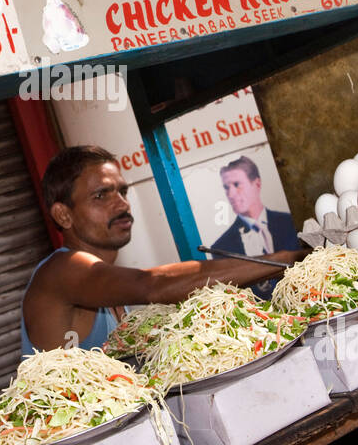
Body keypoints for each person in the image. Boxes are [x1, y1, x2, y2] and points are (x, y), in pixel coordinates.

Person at [21, 146, 305, 353]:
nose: (122, 204)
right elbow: (153, 284)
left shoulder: (109, 286)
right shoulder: (60, 270)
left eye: (122, 191)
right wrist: (285, 260)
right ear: (63, 215)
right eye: (101, 195)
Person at [210, 155, 300, 258]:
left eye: (236, 184)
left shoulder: (291, 221)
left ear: (257, 184)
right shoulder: (221, 248)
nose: (230, 194)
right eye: (226, 187)